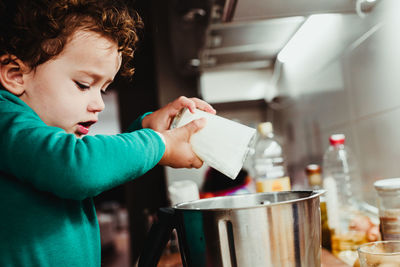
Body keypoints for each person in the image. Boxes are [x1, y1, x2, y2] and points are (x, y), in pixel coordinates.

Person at [0, 0, 216, 266]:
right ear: (15, 75)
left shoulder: (33, 140)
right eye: (83, 84)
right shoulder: (5, 119)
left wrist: (146, 128)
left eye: (102, 88)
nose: (99, 104)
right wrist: (161, 144)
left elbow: (90, 161)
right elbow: (78, 166)